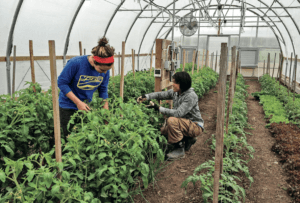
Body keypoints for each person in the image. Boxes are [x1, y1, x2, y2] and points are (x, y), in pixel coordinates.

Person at [137, 72, 204, 160]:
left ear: (182, 84)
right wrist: (146, 96)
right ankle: (188, 140)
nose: (172, 84)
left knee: (171, 121)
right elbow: (160, 94)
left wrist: (158, 108)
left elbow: (178, 113)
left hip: (195, 126)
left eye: (175, 82)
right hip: (184, 124)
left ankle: (179, 149)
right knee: (163, 131)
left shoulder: (191, 96)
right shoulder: (176, 93)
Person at [57, 37, 114, 138]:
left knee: (84, 137)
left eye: (107, 70)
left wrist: (106, 112)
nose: (104, 73)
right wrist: (78, 102)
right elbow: (62, 83)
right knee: (70, 139)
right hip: (68, 106)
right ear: (94, 62)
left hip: (86, 106)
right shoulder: (76, 63)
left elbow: (103, 90)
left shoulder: (105, 70)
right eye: (102, 70)